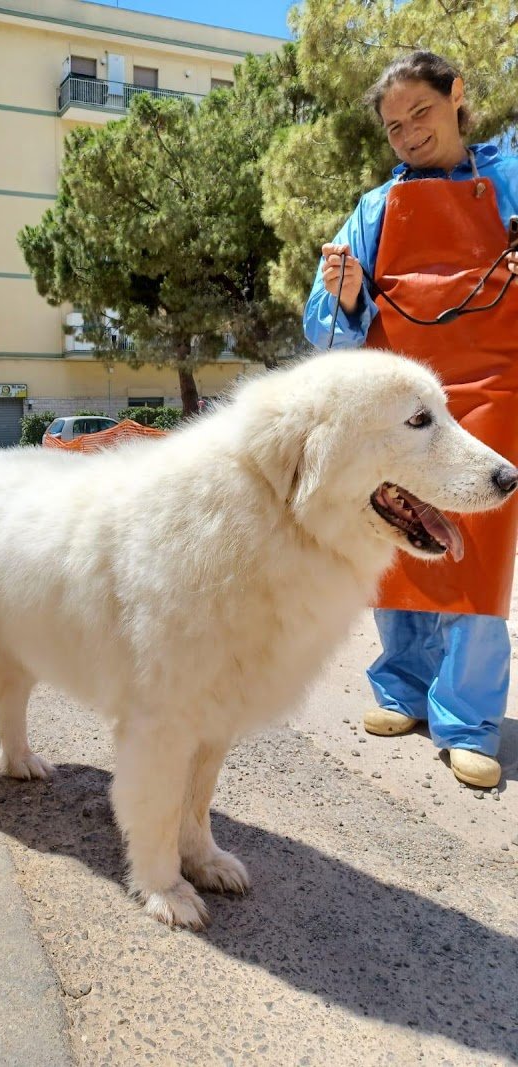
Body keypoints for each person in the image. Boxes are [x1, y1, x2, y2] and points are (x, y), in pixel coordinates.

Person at [303, 51, 518, 789]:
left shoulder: (513, 178)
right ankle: (402, 688)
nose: (408, 134)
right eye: (394, 127)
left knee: (478, 546)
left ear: (457, 97)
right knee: (399, 539)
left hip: (492, 392)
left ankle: (468, 718)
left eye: (419, 114)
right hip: (401, 406)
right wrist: (348, 291)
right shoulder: (372, 209)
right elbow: (322, 327)